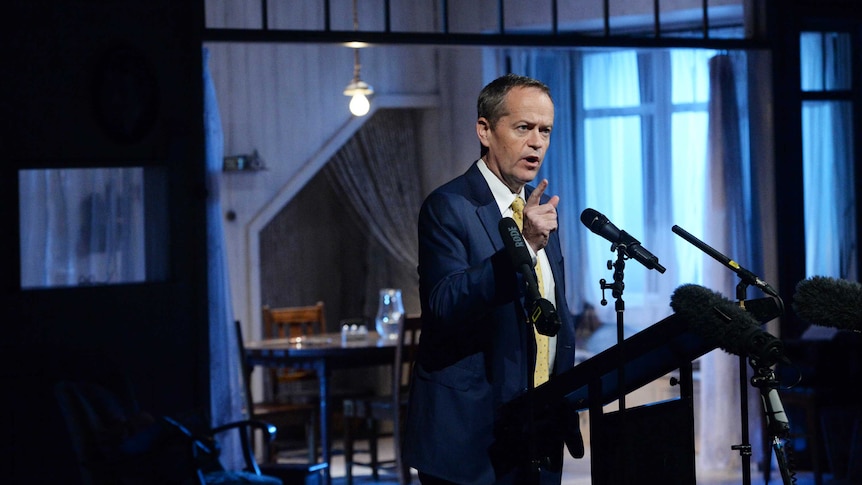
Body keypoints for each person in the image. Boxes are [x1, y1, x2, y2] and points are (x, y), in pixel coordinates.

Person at [403, 73, 583, 485]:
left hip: (536, 430)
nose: (536, 142)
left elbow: (553, 310)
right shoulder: (449, 206)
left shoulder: (537, 210)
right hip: (470, 441)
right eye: (523, 128)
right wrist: (522, 247)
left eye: (545, 130)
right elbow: (444, 305)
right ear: (485, 130)